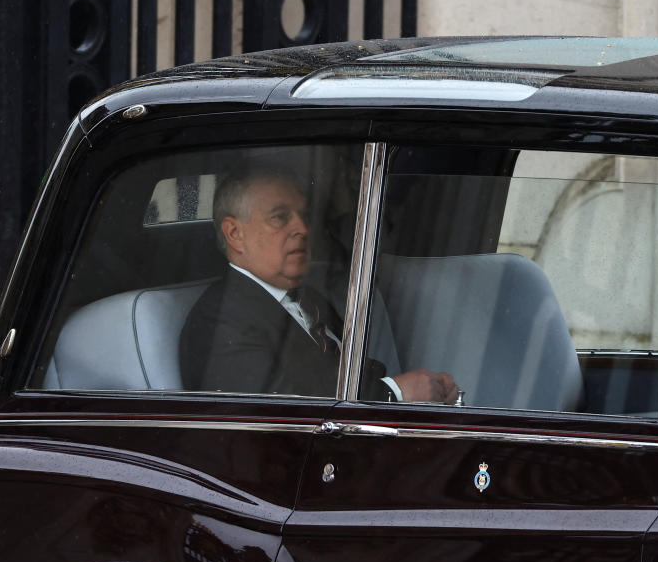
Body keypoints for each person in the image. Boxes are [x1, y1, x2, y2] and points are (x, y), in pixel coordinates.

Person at [179, 166, 458, 402]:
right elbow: (280, 418)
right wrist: (395, 393)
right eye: (280, 217)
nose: (303, 228)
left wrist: (425, 388)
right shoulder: (218, 322)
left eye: (303, 215)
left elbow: (356, 371)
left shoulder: (305, 297)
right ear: (235, 233)